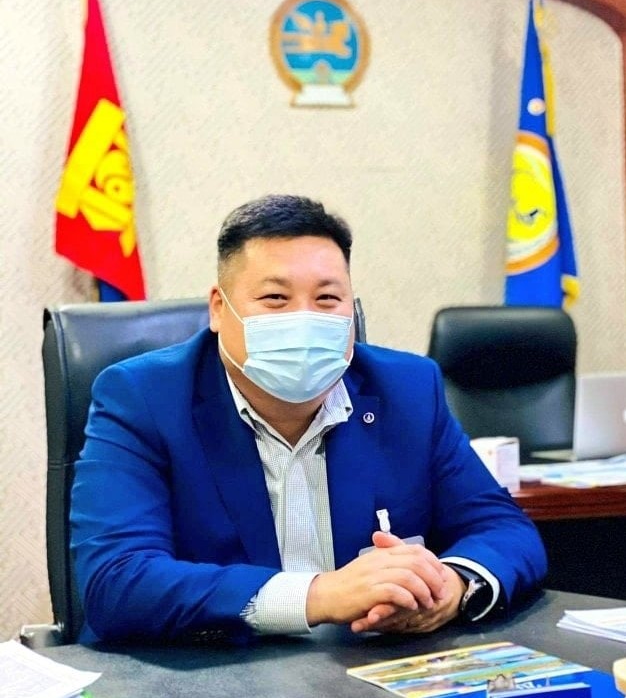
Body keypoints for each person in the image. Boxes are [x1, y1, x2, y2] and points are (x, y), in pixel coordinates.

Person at [71, 194, 547, 644]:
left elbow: (503, 528)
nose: (304, 318)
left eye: (327, 299)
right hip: (210, 670)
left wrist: (453, 585)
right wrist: (319, 596)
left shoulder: (408, 389)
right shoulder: (143, 397)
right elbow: (116, 581)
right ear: (219, 308)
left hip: (365, 667)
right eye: (275, 299)